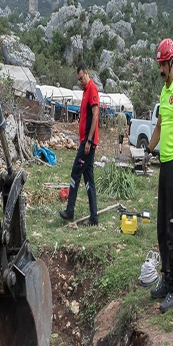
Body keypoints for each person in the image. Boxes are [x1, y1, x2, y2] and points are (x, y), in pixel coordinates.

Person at [143, 38, 173, 313]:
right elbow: (160, 126)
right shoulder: (164, 92)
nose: (160, 69)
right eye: (159, 64)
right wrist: (147, 149)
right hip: (164, 164)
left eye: (163, 64)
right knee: (162, 227)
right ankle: (165, 279)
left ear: (172, 62)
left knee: (172, 229)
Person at [59, 63, 100, 226]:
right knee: (88, 179)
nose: (80, 81)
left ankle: (70, 211)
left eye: (82, 78)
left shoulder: (92, 89)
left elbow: (95, 115)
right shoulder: (84, 91)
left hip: (88, 143)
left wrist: (89, 140)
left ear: (87, 74)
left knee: (75, 173)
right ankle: (94, 217)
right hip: (85, 141)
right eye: (78, 79)